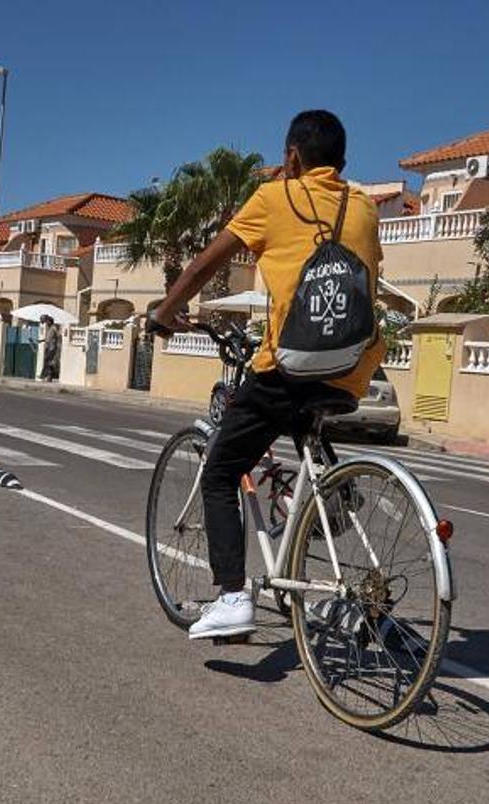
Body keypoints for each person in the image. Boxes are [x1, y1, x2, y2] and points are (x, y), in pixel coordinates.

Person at [148, 109, 385, 639]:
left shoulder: (273, 199)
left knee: (220, 470)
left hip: (289, 368)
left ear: (292, 156)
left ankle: (233, 596)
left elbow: (204, 266)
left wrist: (165, 311)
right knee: (302, 449)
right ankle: (329, 510)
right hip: (351, 370)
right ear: (342, 162)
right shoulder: (365, 207)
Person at [40, 315, 61, 381]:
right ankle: (48, 376)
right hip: (48, 347)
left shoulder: (54, 328)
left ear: (50, 321)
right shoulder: (49, 329)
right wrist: (42, 340)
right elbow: (49, 338)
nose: (46, 323)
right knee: (48, 361)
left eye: (47, 321)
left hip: (52, 347)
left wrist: (56, 344)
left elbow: (58, 336)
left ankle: (47, 375)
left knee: (48, 361)